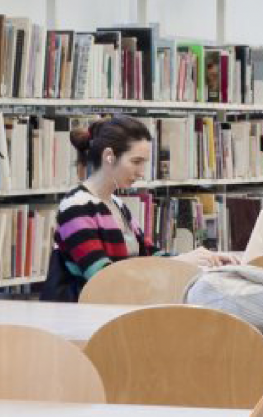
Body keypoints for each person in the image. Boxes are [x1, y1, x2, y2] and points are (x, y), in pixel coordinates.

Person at [41, 115, 233, 301]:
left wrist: (200, 259)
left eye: (144, 163)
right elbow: (103, 278)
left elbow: (147, 254)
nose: (141, 172)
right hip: (87, 315)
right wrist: (178, 263)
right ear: (109, 156)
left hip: (119, 308)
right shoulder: (76, 207)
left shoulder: (116, 204)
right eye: (136, 162)